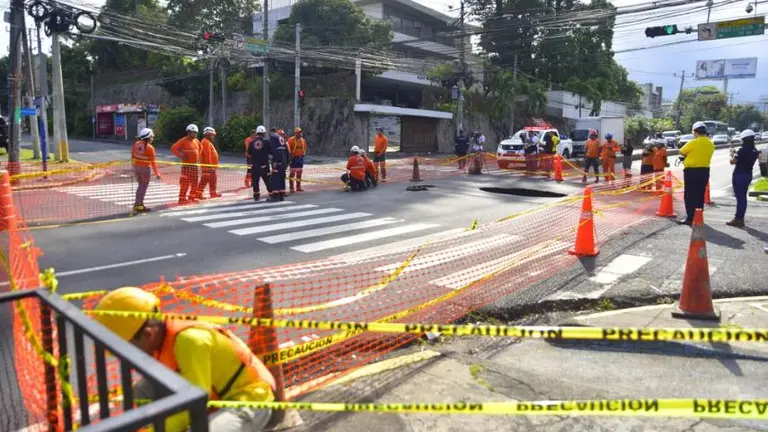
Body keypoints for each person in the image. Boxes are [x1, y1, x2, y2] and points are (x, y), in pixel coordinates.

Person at [92, 287, 275, 432]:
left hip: (247, 400)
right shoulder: (159, 341)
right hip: (213, 395)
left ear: (148, 334)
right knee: (141, 391)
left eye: (127, 347)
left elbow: (196, 405)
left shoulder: (190, 341)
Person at [677, 121, 715, 225]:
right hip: (704, 171)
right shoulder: (710, 143)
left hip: (691, 172)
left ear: (695, 132)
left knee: (690, 195)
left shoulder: (693, 142)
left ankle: (690, 218)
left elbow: (681, 151)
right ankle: (698, 217)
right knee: (700, 195)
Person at [727, 129, 760, 228]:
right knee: (743, 198)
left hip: (739, 175)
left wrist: (732, 154)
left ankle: (738, 219)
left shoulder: (742, 150)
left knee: (740, 198)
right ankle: (740, 218)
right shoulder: (755, 150)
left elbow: (733, 162)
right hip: (748, 174)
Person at [131, 128, 161, 213]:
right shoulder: (150, 148)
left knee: (140, 186)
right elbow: (153, 162)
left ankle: (137, 204)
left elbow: (132, 156)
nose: (152, 138)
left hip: (136, 168)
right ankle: (139, 205)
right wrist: (157, 173)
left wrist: (134, 167)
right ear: (148, 137)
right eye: (151, 136)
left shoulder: (136, 144)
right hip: (145, 169)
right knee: (143, 187)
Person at [170, 124, 201, 204]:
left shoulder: (197, 141)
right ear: (188, 132)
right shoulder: (183, 140)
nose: (195, 134)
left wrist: (197, 157)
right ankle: (182, 198)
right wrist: (181, 155)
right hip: (186, 166)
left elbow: (200, 149)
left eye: (196, 133)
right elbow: (174, 148)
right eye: (193, 133)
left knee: (195, 182)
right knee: (185, 182)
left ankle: (192, 197)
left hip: (194, 166)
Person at [247, 126, 273, 202]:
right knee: (268, 181)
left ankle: (256, 196)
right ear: (264, 133)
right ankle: (271, 194)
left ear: (257, 133)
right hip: (265, 166)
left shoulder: (251, 142)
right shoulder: (267, 142)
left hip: (255, 166)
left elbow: (249, 153)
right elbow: (271, 152)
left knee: (255, 182)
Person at [197, 127, 221, 199]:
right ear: (208, 134)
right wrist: (209, 166)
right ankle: (199, 194)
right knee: (206, 180)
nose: (213, 136)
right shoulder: (205, 142)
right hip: (208, 167)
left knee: (210, 180)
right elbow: (207, 155)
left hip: (209, 166)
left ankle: (211, 193)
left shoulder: (206, 142)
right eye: (212, 135)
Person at [268, 127, 289, 202]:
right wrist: (286, 163)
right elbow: (286, 152)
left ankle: (275, 197)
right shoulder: (281, 138)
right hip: (283, 161)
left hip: (278, 161)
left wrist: (275, 161)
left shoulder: (273, 137)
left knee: (275, 179)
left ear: (271, 132)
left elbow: (274, 150)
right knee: (281, 178)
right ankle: (281, 196)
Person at [286, 127, 307, 193]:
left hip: (300, 158)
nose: (300, 134)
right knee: (292, 174)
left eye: (300, 132)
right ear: (295, 133)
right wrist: (289, 157)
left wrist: (304, 153)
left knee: (299, 173)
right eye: (298, 132)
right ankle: (291, 188)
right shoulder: (291, 140)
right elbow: (288, 149)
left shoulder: (303, 140)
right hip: (294, 159)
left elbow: (305, 148)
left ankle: (298, 187)